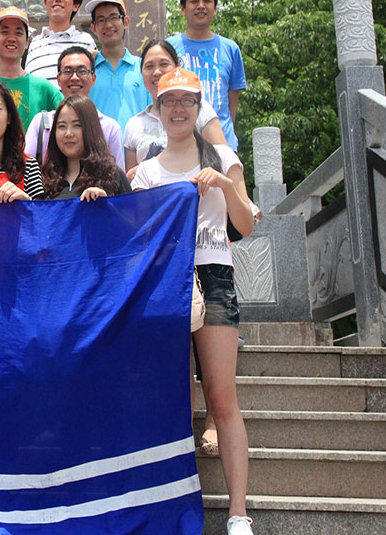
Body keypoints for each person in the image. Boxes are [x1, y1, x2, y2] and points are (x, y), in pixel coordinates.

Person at [130, 68, 255, 535]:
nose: (178, 109)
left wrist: (223, 184)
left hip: (214, 274)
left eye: (187, 101)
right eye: (169, 102)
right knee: (173, 400)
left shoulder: (222, 156)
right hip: (166, 283)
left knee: (222, 397)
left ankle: (238, 511)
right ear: (158, 110)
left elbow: (246, 223)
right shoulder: (146, 170)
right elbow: (138, 234)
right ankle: (177, 507)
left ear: (199, 107)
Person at [124, 39, 227, 174]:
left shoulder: (200, 109)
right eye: (149, 66)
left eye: (164, 64)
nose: (157, 72)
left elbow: (223, 160)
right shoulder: (134, 125)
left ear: (177, 68)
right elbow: (130, 179)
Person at [167, 0, 247, 149]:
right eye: (194, 1)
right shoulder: (169, 48)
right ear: (183, 9)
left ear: (215, 9)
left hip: (222, 144)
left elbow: (232, 100)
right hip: (182, 145)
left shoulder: (231, 49)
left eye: (207, 1)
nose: (201, 6)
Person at [25, 46, 124, 168]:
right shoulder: (40, 123)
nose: (74, 78)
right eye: (67, 72)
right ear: (58, 79)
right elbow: (26, 172)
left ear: (93, 78)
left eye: (82, 71)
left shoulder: (110, 128)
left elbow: (116, 176)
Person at [41, 95, 131, 200]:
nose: (68, 133)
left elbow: (130, 210)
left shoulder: (112, 176)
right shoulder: (46, 181)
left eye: (77, 125)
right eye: (62, 126)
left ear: (91, 129)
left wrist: (106, 204)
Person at [85, 0, 151, 130]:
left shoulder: (143, 68)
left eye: (113, 17)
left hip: (137, 144)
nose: (108, 25)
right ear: (94, 28)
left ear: (125, 22)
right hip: (97, 144)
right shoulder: (86, 71)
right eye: (101, 20)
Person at [0, 5, 62, 130]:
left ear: (27, 42)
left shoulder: (44, 89)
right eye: (5, 32)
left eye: (18, 33)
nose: (11, 38)